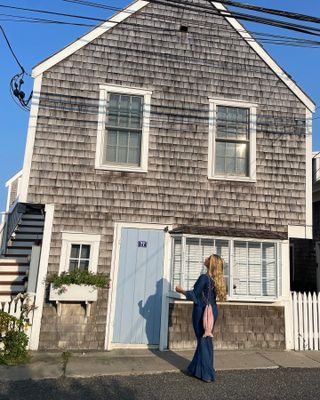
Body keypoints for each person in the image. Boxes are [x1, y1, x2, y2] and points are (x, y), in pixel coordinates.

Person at [175, 254, 227, 383]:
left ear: (211, 263)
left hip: (202, 311)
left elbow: (194, 295)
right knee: (206, 338)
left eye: (208, 258)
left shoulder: (204, 278)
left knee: (203, 340)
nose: (205, 258)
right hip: (212, 311)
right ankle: (195, 369)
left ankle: (207, 374)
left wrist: (180, 290)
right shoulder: (216, 280)